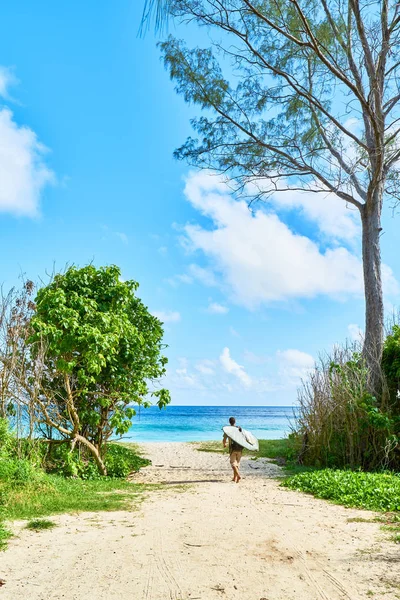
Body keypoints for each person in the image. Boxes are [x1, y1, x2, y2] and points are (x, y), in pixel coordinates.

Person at [223, 416, 244, 483]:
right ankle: (235, 478)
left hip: (232, 449)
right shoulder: (239, 429)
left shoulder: (227, 430)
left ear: (229, 422)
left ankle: (238, 476)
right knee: (237, 463)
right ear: (235, 422)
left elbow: (224, 439)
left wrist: (224, 444)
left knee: (233, 463)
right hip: (240, 449)